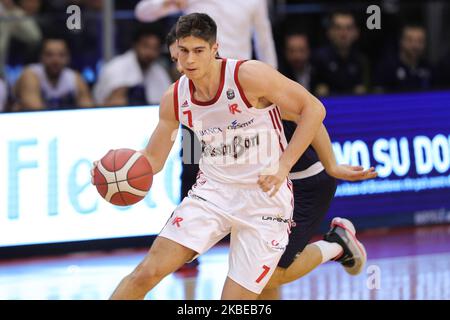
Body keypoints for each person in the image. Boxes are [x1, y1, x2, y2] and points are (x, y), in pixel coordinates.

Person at [92, 13, 365, 300]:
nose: (190, 60)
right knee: (145, 274)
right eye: (183, 51)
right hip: (212, 194)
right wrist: (113, 174)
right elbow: (153, 159)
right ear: (174, 52)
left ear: (214, 49)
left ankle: (336, 246)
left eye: (198, 51)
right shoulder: (175, 98)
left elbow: (313, 110)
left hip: (264, 201)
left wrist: (286, 165)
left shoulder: (248, 76)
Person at [167, 23, 377, 298]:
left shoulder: (246, 85)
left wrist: (332, 165)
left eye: (189, 55)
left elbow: (310, 115)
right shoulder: (188, 107)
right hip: (257, 195)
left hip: (303, 184)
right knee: (257, 280)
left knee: (265, 276)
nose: (184, 65)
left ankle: (337, 245)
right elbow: (191, 170)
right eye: (176, 59)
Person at [135, 0, 278, 68]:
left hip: (238, 75)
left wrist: (273, 81)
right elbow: (142, 13)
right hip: (196, 75)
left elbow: (264, 42)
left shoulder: (255, 1)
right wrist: (166, 2)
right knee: (196, 126)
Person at [94, 26, 172, 107]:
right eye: (146, 46)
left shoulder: (159, 72)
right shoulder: (116, 68)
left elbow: (169, 103)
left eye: (155, 48)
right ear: (135, 45)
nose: (150, 53)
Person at [13, 37, 93, 111]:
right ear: (41, 57)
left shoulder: (76, 78)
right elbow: (35, 112)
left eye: (61, 55)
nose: (55, 60)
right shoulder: (31, 74)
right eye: (49, 55)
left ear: (68, 58)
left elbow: (87, 111)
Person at [313, 11, 368, 96]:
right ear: (329, 32)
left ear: (356, 33)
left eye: (349, 28)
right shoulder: (319, 58)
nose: (344, 34)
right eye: (338, 28)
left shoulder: (361, 59)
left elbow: (364, 90)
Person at [374, 24, 433, 92]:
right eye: (410, 40)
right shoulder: (386, 68)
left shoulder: (429, 68)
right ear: (401, 41)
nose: (415, 46)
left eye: (420, 41)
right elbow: (378, 97)